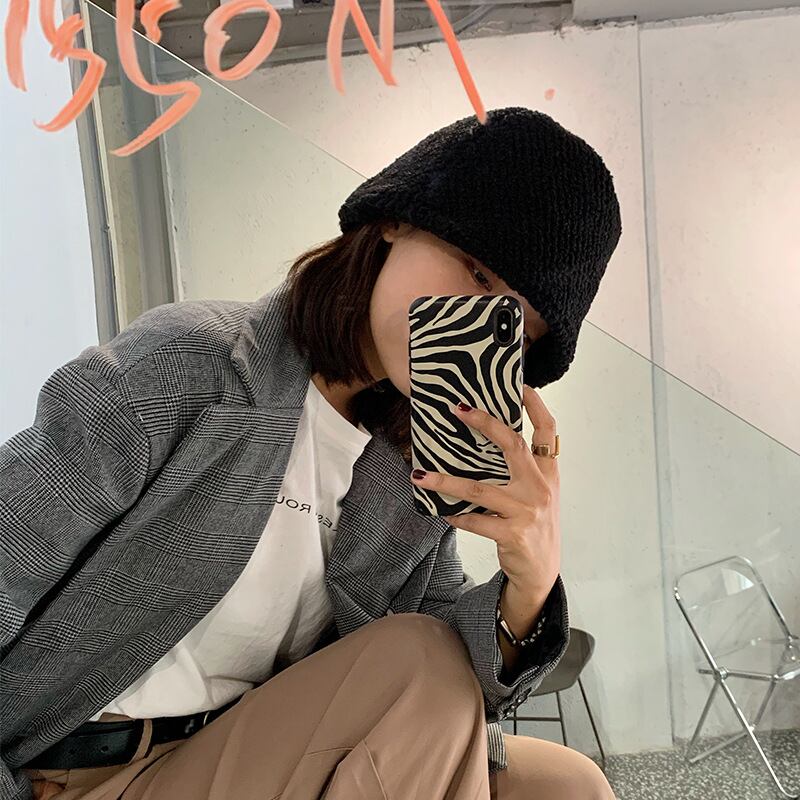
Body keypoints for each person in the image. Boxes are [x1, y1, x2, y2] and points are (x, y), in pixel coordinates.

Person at [1, 106, 622, 800]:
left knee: (566, 786)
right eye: (477, 275)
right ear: (397, 220)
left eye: (514, 328)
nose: (472, 326)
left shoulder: (410, 464)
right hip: (82, 772)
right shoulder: (185, 368)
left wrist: (529, 585)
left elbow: (456, 686)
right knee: (419, 660)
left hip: (256, 752)